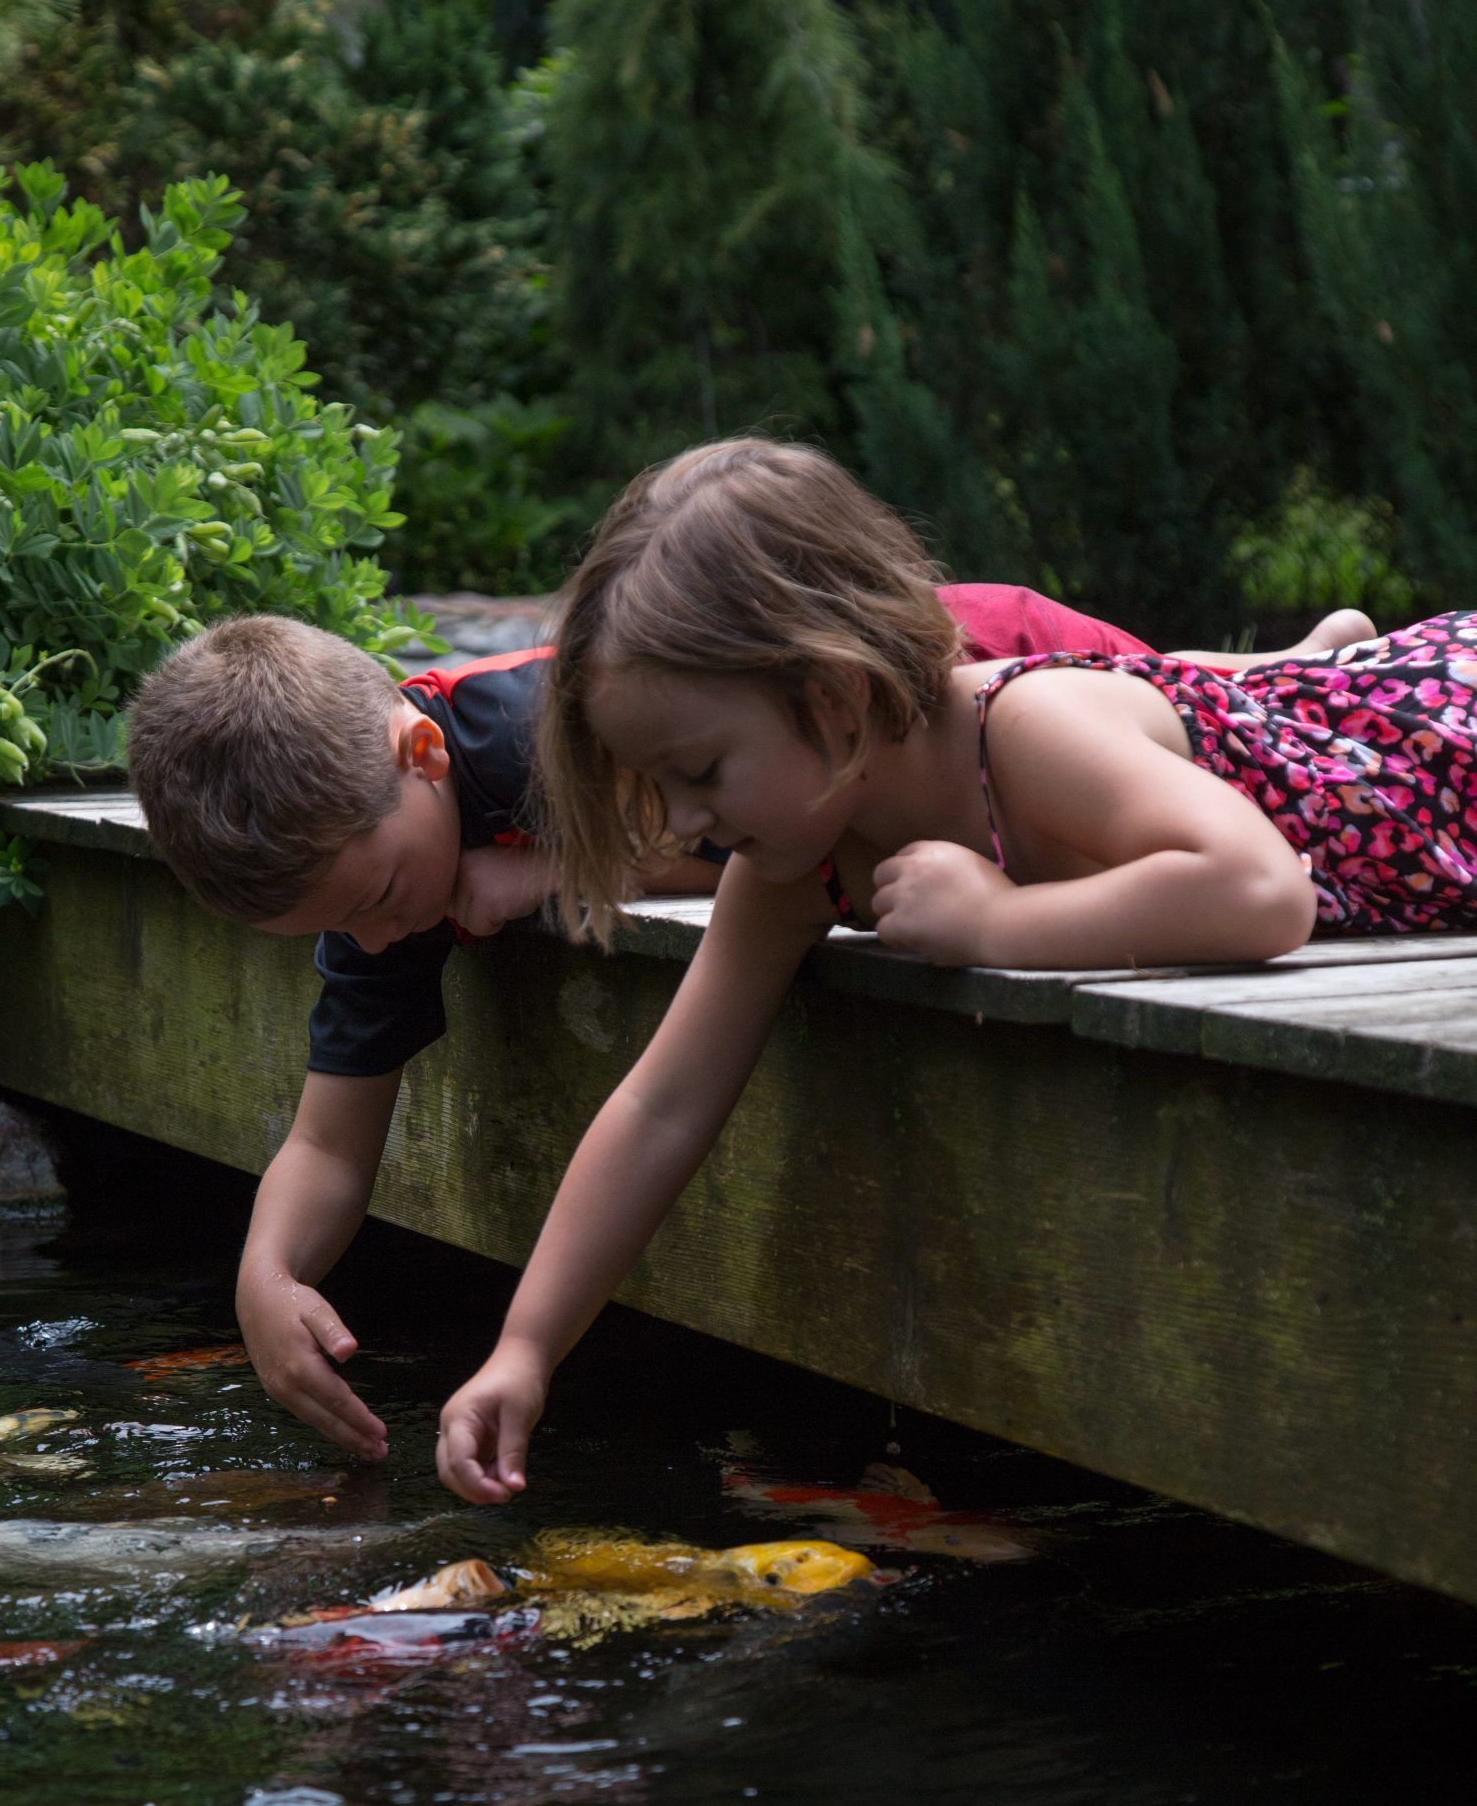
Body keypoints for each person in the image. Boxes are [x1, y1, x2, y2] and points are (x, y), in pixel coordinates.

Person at [433, 436, 1465, 1504]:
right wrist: (526, 1348)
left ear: (833, 694)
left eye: (699, 773)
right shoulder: (797, 862)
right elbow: (662, 1101)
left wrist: (1000, 925)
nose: (684, 822)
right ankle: (1311, 656)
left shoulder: (1023, 726)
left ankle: (1318, 661)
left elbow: (1259, 892)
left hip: (1443, 738)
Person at [129, 579, 1370, 1459]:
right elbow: (332, 1137)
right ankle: (1303, 670)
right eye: (347, 928)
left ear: (421, 755)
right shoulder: (375, 879)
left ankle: (1303, 667)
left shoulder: (546, 737)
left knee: (1185, 701)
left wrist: (569, 871)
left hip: (977, 651)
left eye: (385, 898)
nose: (387, 934)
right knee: (1202, 720)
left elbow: (738, 834)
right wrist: (266, 1269)